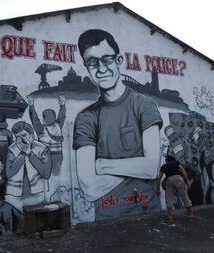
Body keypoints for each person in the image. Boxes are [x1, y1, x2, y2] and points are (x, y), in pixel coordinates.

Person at [73, 29, 163, 219]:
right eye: (92, 62)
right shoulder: (86, 118)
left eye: (107, 60)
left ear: (119, 61)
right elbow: (89, 188)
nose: (101, 69)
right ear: (86, 68)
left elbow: (151, 168)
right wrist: (136, 168)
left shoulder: (144, 105)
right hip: (108, 223)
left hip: (150, 214)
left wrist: (101, 165)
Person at [6, 121, 52, 197]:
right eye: (18, 137)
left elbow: (46, 174)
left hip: (38, 192)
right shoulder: (11, 149)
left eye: (24, 135)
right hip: (15, 194)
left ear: (32, 136)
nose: (21, 139)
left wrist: (30, 153)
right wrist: (23, 153)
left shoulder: (42, 149)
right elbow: (9, 173)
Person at [28, 95, 66, 176]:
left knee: (44, 177)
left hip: (46, 156)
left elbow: (34, 118)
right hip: (58, 156)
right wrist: (62, 105)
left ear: (44, 120)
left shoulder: (41, 129)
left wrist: (31, 105)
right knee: (55, 176)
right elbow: (62, 116)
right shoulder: (58, 126)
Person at [156, 155, 195, 222]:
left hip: (169, 180)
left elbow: (159, 178)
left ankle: (169, 216)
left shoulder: (164, 166)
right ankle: (190, 214)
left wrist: (157, 189)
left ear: (167, 160)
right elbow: (183, 171)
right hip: (178, 178)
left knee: (168, 197)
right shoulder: (176, 163)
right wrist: (187, 181)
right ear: (173, 159)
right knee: (184, 196)